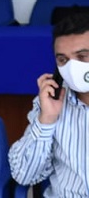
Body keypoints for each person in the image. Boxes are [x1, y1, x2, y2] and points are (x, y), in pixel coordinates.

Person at [9, 12, 89, 197]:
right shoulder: (50, 101)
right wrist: (46, 120)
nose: (72, 67)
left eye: (82, 56)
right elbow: (24, 176)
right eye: (63, 60)